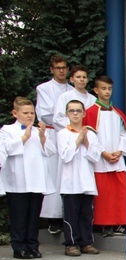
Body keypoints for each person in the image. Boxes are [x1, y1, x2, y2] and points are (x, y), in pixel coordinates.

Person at [0, 97, 56, 259]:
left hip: (36, 179)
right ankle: (19, 246)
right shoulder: (7, 130)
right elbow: (6, 150)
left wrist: (43, 136)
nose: (30, 116)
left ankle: (32, 245)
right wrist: (24, 137)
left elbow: (50, 152)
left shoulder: (39, 130)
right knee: (19, 215)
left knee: (33, 215)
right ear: (15, 113)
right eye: (26, 113)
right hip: (18, 181)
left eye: (32, 112)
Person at [83, 75, 126, 237]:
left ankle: (120, 222)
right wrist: (103, 153)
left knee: (120, 191)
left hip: (117, 159)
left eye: (109, 89)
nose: (107, 92)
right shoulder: (90, 113)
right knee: (103, 192)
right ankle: (104, 224)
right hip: (101, 160)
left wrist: (119, 151)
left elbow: (124, 134)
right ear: (96, 90)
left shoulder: (117, 113)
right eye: (103, 88)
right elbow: (90, 136)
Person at [57, 99, 102, 257]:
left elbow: (95, 157)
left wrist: (87, 141)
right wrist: (78, 141)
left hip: (87, 182)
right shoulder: (62, 134)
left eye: (78, 111)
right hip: (70, 183)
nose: (75, 113)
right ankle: (71, 243)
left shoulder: (91, 134)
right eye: (71, 111)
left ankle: (86, 242)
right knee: (71, 215)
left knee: (86, 215)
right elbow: (65, 156)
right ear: (67, 114)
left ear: (83, 113)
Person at [36, 54, 72, 234]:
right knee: (53, 174)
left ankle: (67, 214)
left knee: (68, 173)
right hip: (53, 133)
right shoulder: (44, 89)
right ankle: (53, 218)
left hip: (70, 135)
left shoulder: (72, 89)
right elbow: (46, 113)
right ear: (52, 69)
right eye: (58, 68)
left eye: (64, 67)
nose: (61, 71)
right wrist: (68, 124)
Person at [53, 65, 96, 131]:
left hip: (89, 133)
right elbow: (58, 119)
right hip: (70, 134)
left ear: (87, 80)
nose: (82, 79)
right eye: (78, 77)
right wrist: (76, 127)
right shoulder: (65, 97)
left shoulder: (94, 99)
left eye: (84, 77)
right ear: (72, 79)